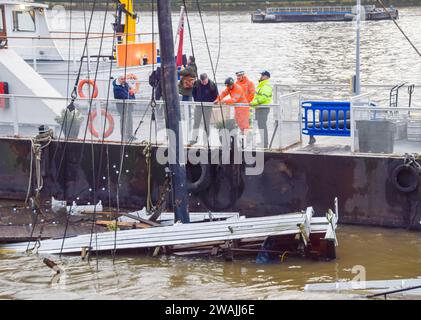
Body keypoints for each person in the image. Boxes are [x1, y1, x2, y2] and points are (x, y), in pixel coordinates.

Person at [189, 73, 219, 145]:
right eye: (203, 82)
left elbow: (216, 95)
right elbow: (193, 92)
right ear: (200, 80)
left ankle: (206, 140)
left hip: (208, 106)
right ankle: (194, 139)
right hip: (199, 106)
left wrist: (211, 101)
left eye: (205, 81)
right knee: (196, 122)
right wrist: (196, 100)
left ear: (207, 78)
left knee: (206, 123)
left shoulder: (212, 84)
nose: (204, 83)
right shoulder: (197, 83)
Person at [250, 70, 273, 148]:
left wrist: (253, 103)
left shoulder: (266, 86)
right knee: (260, 125)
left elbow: (263, 98)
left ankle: (265, 143)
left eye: (262, 75)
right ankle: (263, 142)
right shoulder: (262, 85)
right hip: (260, 108)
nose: (261, 76)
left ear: (266, 77)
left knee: (262, 125)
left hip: (263, 108)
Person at [113, 75, 136, 141]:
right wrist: (132, 98)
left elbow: (131, 93)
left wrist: (132, 97)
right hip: (122, 107)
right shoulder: (117, 88)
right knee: (123, 121)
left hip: (129, 106)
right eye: (122, 79)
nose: (124, 80)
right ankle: (124, 135)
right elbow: (125, 96)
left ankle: (130, 134)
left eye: (124, 79)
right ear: (119, 80)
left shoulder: (126, 85)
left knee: (130, 120)